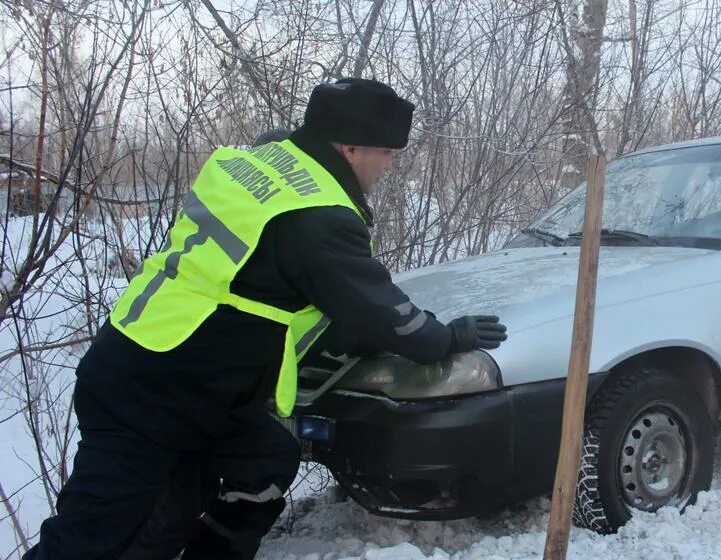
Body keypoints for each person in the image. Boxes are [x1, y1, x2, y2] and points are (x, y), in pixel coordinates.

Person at [25, 78, 508, 560]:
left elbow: (291, 289)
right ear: (351, 147)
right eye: (387, 152)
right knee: (93, 534)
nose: (389, 165)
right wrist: (445, 337)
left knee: (264, 463)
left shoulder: (259, 163)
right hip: (150, 392)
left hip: (189, 381)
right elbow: (382, 311)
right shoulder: (317, 212)